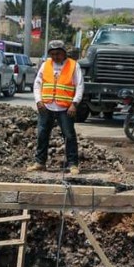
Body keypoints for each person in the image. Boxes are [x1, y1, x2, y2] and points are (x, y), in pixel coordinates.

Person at [28, 39, 84, 176]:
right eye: (52, 54)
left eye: (58, 54)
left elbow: (80, 86)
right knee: (42, 134)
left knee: (69, 135)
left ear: (64, 53)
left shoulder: (73, 66)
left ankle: (73, 164)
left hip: (65, 108)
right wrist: (38, 101)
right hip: (46, 107)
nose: (55, 57)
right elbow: (37, 84)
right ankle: (40, 162)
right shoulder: (45, 65)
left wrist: (74, 104)